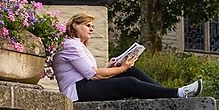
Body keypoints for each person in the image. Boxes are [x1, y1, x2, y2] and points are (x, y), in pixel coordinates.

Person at [52, 12, 202, 102]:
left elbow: (92, 72)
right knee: (128, 82)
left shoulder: (78, 46)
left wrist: (111, 67)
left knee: (131, 72)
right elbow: (93, 74)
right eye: (87, 25)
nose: (91, 29)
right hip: (76, 91)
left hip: (84, 86)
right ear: (75, 26)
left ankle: (166, 94)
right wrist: (122, 67)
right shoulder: (70, 45)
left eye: (92, 26)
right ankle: (178, 93)